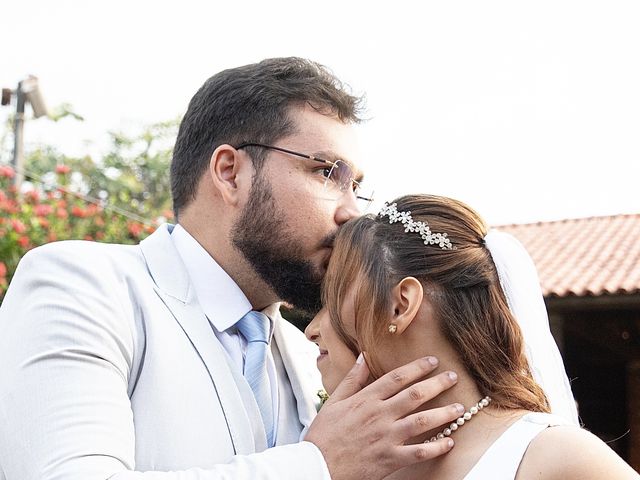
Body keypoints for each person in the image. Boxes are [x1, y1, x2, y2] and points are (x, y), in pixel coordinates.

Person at [0, 58, 462, 480]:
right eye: (326, 173)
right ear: (229, 172)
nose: (350, 213)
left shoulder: (308, 358)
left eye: (355, 186)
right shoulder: (81, 285)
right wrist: (318, 465)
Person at [305, 194, 638, 479]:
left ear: (400, 305)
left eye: (331, 297)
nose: (311, 329)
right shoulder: (347, 462)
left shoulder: (555, 457)